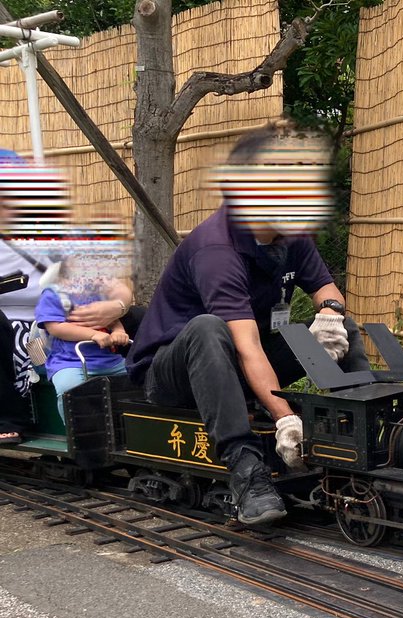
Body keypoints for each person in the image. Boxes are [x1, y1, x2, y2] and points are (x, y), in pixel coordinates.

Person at [126, 125, 370, 525]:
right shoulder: (217, 250)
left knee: (345, 326)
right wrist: (284, 416)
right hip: (174, 372)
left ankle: (360, 435)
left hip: (241, 359)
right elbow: (246, 346)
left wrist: (329, 311)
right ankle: (246, 473)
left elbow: (327, 287)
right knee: (209, 328)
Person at [0, 152, 131, 442]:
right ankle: (14, 414)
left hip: (74, 318)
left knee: (142, 316)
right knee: (16, 336)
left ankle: (144, 400)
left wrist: (117, 306)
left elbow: (114, 281)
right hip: (29, 332)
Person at [34, 259, 130, 420]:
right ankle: (77, 435)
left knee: (136, 377)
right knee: (69, 389)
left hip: (109, 360)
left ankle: (129, 430)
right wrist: (92, 334)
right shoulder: (53, 295)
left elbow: (112, 319)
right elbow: (56, 327)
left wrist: (119, 331)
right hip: (70, 361)